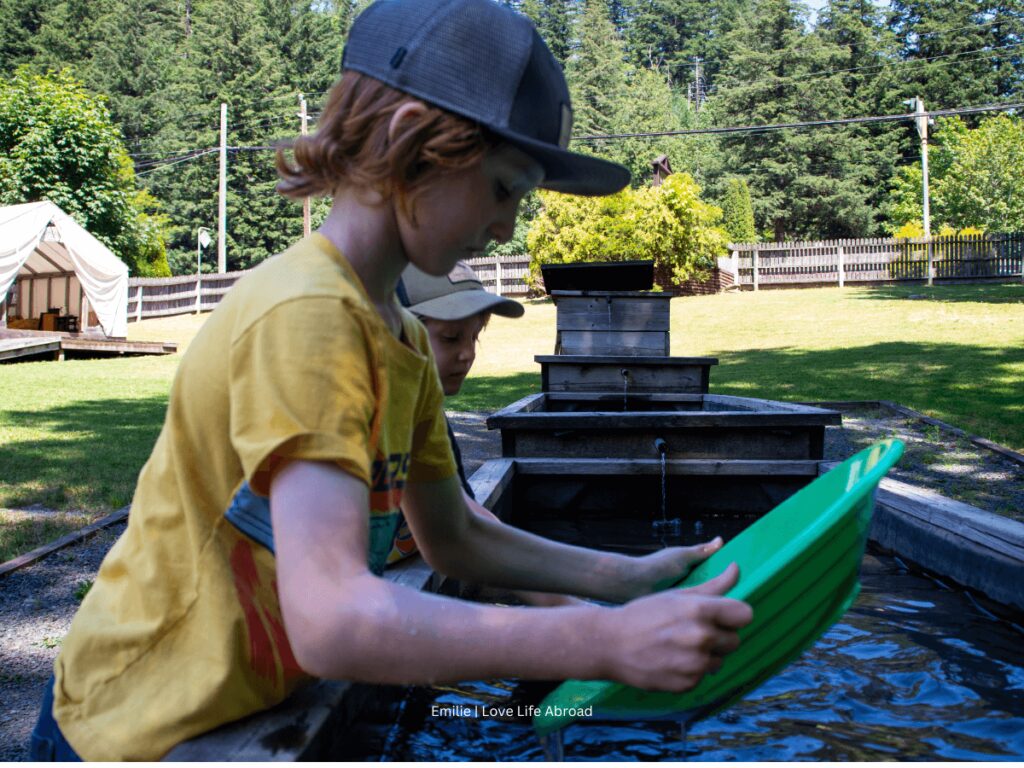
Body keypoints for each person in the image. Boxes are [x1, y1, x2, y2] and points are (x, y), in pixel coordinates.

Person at [31, 0, 751, 760]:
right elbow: (333, 620)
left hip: (230, 712)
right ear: (415, 146)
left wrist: (627, 578)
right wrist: (598, 642)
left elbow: (456, 536)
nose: (508, 227)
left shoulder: (398, 332)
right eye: (505, 188)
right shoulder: (306, 316)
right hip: (131, 729)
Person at [388, 260, 579, 607]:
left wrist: (574, 602)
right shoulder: (360, 424)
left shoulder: (426, 416)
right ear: (397, 333)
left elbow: (468, 518)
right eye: (450, 338)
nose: (468, 353)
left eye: (475, 336)